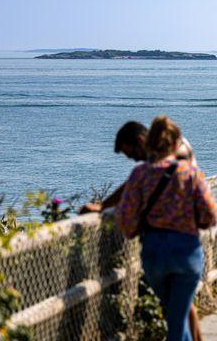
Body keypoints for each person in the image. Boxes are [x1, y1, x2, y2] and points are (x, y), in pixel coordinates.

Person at [80, 120, 205, 341]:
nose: (134, 160)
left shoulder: (172, 153)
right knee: (181, 308)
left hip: (174, 238)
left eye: (132, 154)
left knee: (178, 311)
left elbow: (134, 185)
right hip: (185, 237)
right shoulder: (159, 156)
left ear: (140, 141)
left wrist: (104, 206)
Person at [116, 116, 217, 341]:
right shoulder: (190, 174)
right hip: (186, 251)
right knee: (177, 317)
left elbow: (126, 218)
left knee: (174, 315)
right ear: (174, 144)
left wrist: (134, 229)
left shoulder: (139, 175)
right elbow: (211, 214)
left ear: (149, 143)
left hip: (154, 252)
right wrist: (195, 222)